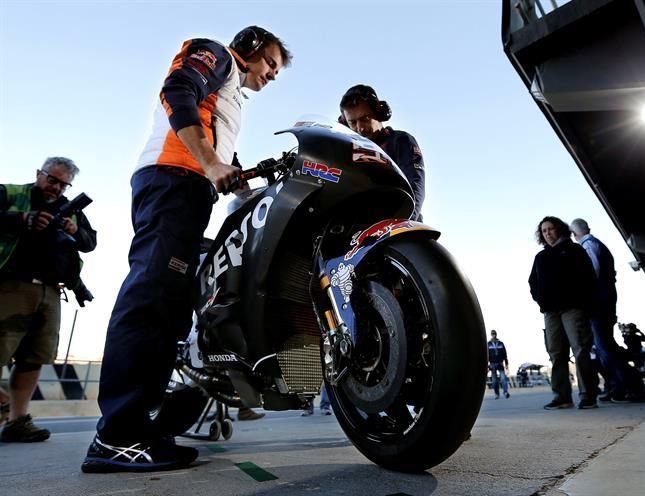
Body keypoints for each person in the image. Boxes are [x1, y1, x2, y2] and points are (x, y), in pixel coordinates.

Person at [82, 26, 292, 473]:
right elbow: (177, 91)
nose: (273, 74)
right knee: (151, 296)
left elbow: (216, 141)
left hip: (190, 186)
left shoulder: (231, 94)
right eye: (271, 62)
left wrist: (234, 169)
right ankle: (117, 436)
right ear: (251, 47)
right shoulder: (214, 53)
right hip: (172, 178)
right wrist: (212, 162)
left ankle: (142, 424)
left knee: (174, 306)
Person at [1, 157, 97, 442]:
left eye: (63, 184)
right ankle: (6, 404)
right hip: (10, 286)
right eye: (51, 179)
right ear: (38, 174)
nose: (55, 188)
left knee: (34, 359)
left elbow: (90, 243)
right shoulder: (11, 193)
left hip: (51, 292)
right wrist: (23, 219)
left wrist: (73, 231)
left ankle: (17, 421)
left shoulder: (73, 212)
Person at [570, 219, 645, 403]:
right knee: (605, 347)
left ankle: (632, 387)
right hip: (605, 302)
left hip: (599, 304)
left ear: (575, 234)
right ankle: (619, 387)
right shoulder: (596, 244)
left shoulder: (588, 246)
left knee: (605, 347)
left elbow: (592, 275)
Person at [528, 216, 599, 410]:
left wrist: (582, 301)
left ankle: (588, 395)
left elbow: (589, 277)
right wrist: (540, 300)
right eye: (544, 231)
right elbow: (532, 282)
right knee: (556, 353)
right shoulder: (540, 257)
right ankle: (562, 396)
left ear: (559, 229)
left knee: (580, 349)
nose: (547, 233)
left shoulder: (575, 251)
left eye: (550, 229)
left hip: (573, 308)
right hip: (550, 312)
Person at [339, 84, 426, 221]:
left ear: (379, 114)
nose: (360, 128)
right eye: (353, 122)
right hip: (358, 233)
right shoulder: (345, 151)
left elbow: (415, 186)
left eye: (365, 119)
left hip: (399, 228)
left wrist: (401, 223)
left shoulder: (401, 141)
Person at [487, 329, 510, 399]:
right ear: (491, 335)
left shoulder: (501, 343)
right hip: (492, 364)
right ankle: (496, 394)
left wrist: (506, 364)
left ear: (496, 334)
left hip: (500, 364)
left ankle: (505, 392)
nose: (493, 335)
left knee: (503, 378)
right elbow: (487, 355)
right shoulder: (488, 344)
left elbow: (505, 354)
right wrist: (487, 366)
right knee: (494, 381)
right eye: (492, 334)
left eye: (494, 334)